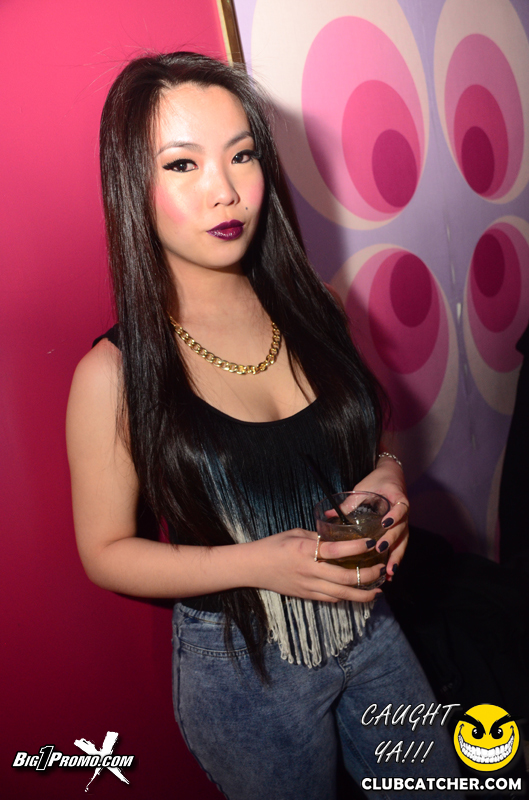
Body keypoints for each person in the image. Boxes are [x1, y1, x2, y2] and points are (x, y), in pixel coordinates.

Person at [66, 52, 461, 799]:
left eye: (241, 155)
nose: (225, 190)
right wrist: (258, 563)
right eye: (182, 165)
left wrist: (387, 475)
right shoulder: (114, 375)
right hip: (242, 662)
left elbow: (370, 434)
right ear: (132, 185)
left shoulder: (316, 305)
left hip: (366, 623)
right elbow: (105, 552)